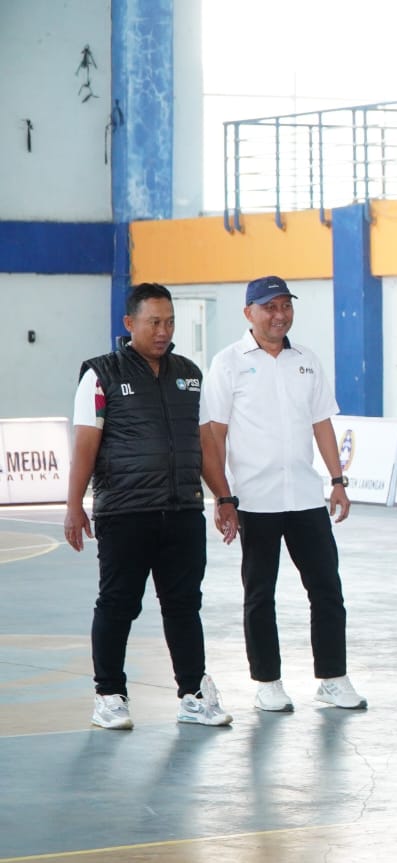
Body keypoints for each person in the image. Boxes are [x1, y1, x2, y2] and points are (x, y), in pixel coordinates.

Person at [64, 283, 234, 730]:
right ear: (129, 324)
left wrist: (225, 497)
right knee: (118, 604)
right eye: (153, 322)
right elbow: (85, 443)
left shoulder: (190, 374)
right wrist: (74, 505)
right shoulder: (100, 375)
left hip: (182, 511)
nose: (163, 331)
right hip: (125, 512)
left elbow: (204, 443)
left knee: (183, 605)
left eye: (170, 322)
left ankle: (193, 694)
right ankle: (109, 695)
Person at [201, 276, 367, 714]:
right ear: (248, 313)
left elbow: (322, 423)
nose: (279, 315)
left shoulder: (307, 361)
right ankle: (267, 681)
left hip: (307, 498)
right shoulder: (228, 363)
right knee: (260, 595)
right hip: (254, 501)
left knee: (328, 590)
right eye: (269, 307)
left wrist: (337, 479)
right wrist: (223, 497)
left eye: (285, 306)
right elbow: (214, 434)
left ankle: (332, 678)